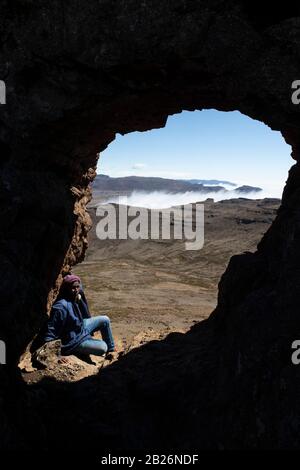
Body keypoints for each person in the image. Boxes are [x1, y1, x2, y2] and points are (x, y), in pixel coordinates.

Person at [43, 274, 115, 357]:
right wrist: (57, 355)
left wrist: (80, 300)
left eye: (78, 287)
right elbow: (50, 333)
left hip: (80, 328)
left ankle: (111, 349)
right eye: (73, 288)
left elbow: (85, 313)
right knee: (103, 347)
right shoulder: (61, 307)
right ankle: (80, 348)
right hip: (72, 340)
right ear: (66, 289)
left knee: (105, 319)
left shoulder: (75, 297)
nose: (76, 290)